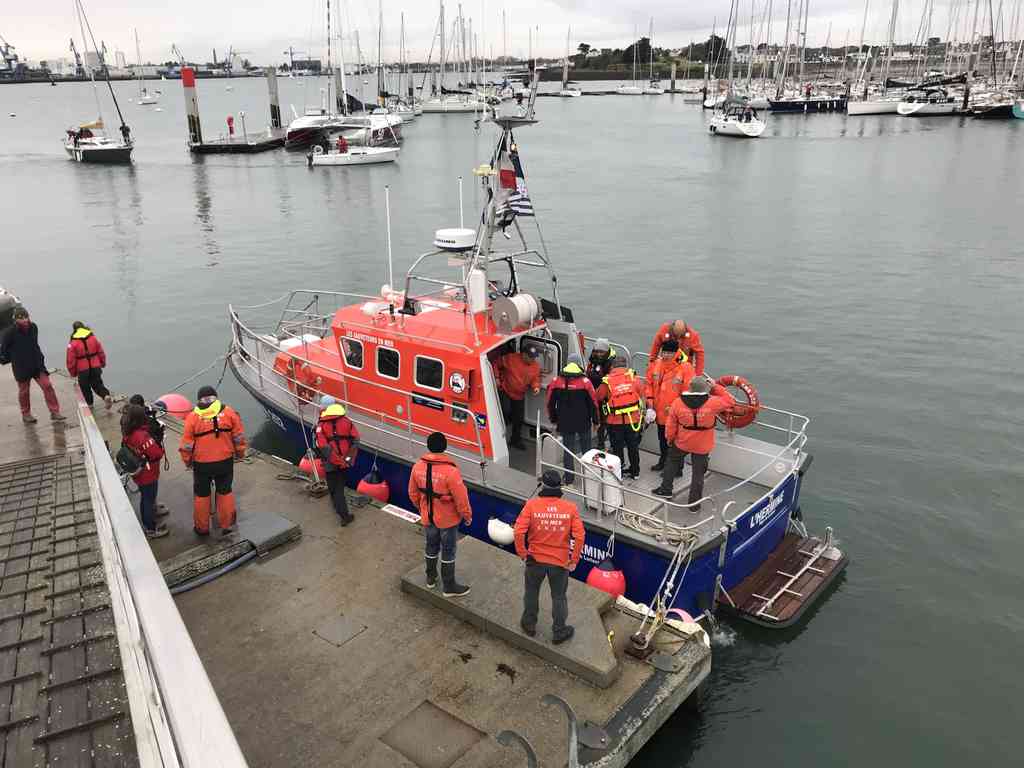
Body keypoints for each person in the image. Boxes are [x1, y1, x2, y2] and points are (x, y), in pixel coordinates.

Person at [514, 470, 585, 644]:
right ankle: (559, 631)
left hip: (535, 560)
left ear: (543, 486)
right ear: (559, 487)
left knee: (531, 592)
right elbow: (580, 536)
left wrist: (523, 554)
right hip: (560, 563)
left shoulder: (531, 505)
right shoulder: (570, 508)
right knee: (559, 597)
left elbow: (518, 531)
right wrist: (574, 560)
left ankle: (529, 625)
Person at [652, 377, 737, 509]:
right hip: (703, 445)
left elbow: (671, 425)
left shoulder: (677, 403)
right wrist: (715, 387)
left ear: (689, 387)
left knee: (672, 462)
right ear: (705, 388)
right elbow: (731, 401)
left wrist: (669, 438)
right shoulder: (713, 403)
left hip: (682, 441)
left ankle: (666, 490)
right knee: (698, 474)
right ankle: (694, 504)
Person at [408, 432, 473, 597]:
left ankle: (430, 578)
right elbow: (461, 498)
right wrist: (466, 516)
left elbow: (412, 493)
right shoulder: (451, 472)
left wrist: (421, 508)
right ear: (444, 447)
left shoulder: (417, 467)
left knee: (431, 546)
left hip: (428, 517)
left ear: (428, 447)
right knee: (448, 551)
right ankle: (449, 586)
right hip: (447, 520)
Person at [179, 385, 247, 536]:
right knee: (225, 491)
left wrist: (187, 462)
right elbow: (239, 437)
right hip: (225, 462)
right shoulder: (229, 412)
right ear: (215, 397)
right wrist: (240, 454)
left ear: (199, 400)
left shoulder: (192, 417)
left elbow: (186, 446)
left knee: (202, 495)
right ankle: (227, 525)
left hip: (202, 465)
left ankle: (202, 528)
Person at [0, 308, 64, 424]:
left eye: (25, 317)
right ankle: (26, 414)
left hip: (36, 364)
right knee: (24, 391)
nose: (24, 320)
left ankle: (55, 412)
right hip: (21, 367)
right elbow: (3, 351)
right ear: (15, 320)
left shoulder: (33, 327)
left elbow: (35, 345)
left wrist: (40, 360)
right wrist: (12, 358)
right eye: (20, 318)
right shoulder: (9, 333)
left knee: (47, 386)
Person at [546, 355, 598, 484]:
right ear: (579, 365)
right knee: (587, 450)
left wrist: (554, 419)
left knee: (568, 451)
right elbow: (593, 403)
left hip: (565, 423)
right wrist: (596, 421)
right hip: (583, 422)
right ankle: (589, 478)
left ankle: (569, 479)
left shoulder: (556, 381)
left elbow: (549, 403)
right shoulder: (585, 382)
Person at [644, 339, 695, 471]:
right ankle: (663, 462)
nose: (665, 355)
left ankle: (677, 468)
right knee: (662, 440)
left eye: (669, 353)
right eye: (664, 352)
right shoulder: (656, 364)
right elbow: (649, 385)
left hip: (675, 415)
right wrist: (650, 406)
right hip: (659, 412)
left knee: (676, 442)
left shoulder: (685, 368)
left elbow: (688, 393)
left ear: (676, 352)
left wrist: (675, 407)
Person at [122, 404, 169, 539]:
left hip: (139, 473)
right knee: (148, 499)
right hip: (148, 474)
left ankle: (149, 523)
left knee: (145, 498)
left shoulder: (128, 432)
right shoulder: (142, 436)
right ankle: (150, 528)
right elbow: (156, 453)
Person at [596, 357, 645, 479]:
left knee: (617, 447)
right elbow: (642, 394)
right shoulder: (634, 378)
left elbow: (599, 396)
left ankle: (619, 472)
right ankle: (635, 472)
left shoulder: (607, 381)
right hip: (633, 420)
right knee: (633, 447)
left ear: (612, 367)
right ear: (626, 366)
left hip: (614, 421)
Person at [315, 395, 360, 526]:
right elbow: (356, 440)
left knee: (334, 487)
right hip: (344, 461)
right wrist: (347, 459)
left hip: (330, 462)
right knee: (339, 487)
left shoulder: (321, 425)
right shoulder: (347, 421)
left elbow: (323, 446)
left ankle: (343, 514)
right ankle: (342, 511)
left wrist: (337, 461)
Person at [499, 344, 541, 450]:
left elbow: (535, 379)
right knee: (505, 411)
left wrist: (536, 387)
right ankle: (499, 439)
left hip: (519, 395)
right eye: (531, 356)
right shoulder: (511, 358)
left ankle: (515, 440)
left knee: (519, 419)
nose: (533, 359)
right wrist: (496, 377)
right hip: (506, 390)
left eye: (534, 357)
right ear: (524, 354)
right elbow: (496, 364)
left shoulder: (535, 366)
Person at [66, 321, 112, 409]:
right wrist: (102, 363)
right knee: (97, 384)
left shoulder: (72, 343)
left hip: (83, 369)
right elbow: (101, 352)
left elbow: (70, 360)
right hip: (95, 366)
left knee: (85, 387)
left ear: (74, 330)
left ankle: (90, 405)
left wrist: (73, 372)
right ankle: (105, 396)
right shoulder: (93, 338)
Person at [586, 339, 617, 450]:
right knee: (599, 421)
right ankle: (600, 443)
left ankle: (613, 445)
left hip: (606, 398)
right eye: (597, 351)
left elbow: (612, 380)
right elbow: (588, 372)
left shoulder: (611, 363)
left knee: (608, 422)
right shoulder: (593, 360)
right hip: (595, 394)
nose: (599, 354)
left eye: (601, 352)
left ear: (607, 351)